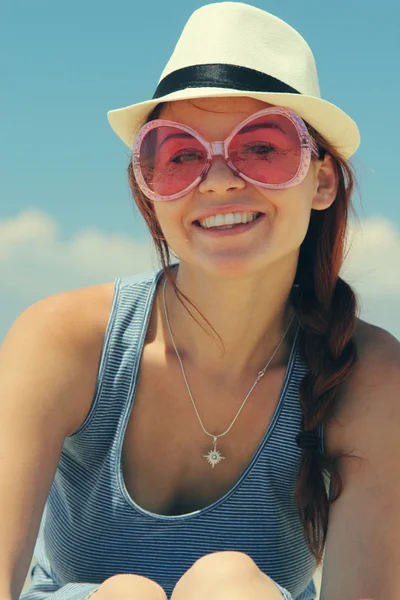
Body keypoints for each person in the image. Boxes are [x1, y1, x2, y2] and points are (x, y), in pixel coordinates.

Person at [1, 2, 398, 600]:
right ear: (148, 187)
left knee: (229, 583)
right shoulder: (64, 340)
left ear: (321, 181)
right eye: (180, 154)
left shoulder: (367, 373)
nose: (217, 180)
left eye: (262, 147)